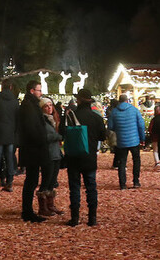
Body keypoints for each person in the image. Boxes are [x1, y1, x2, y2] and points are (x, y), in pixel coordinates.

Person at [60, 88, 106, 226]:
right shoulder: (96, 117)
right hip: (89, 156)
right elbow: (102, 136)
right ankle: (92, 218)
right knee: (91, 186)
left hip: (73, 156)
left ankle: (75, 218)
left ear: (78, 100)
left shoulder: (70, 116)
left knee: (74, 187)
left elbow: (62, 132)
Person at [18, 79, 50, 222]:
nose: (41, 93)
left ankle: (28, 210)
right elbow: (32, 129)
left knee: (32, 179)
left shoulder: (30, 105)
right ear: (32, 91)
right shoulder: (29, 106)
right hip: (33, 148)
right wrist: (42, 140)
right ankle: (27, 211)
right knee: (31, 180)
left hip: (33, 148)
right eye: (39, 90)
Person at [107, 94, 145, 189]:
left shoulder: (114, 112)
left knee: (122, 162)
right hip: (134, 140)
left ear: (119, 101)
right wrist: (142, 138)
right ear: (128, 100)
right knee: (136, 160)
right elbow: (141, 125)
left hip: (121, 141)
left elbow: (110, 127)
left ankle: (122, 184)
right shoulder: (134, 110)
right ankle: (136, 181)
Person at [37, 96, 64, 217]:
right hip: (48, 153)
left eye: (50, 105)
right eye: (46, 106)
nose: (49, 108)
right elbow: (44, 137)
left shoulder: (54, 119)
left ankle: (50, 204)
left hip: (56, 152)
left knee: (52, 180)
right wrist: (58, 137)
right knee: (46, 179)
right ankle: (43, 207)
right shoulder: (42, 121)